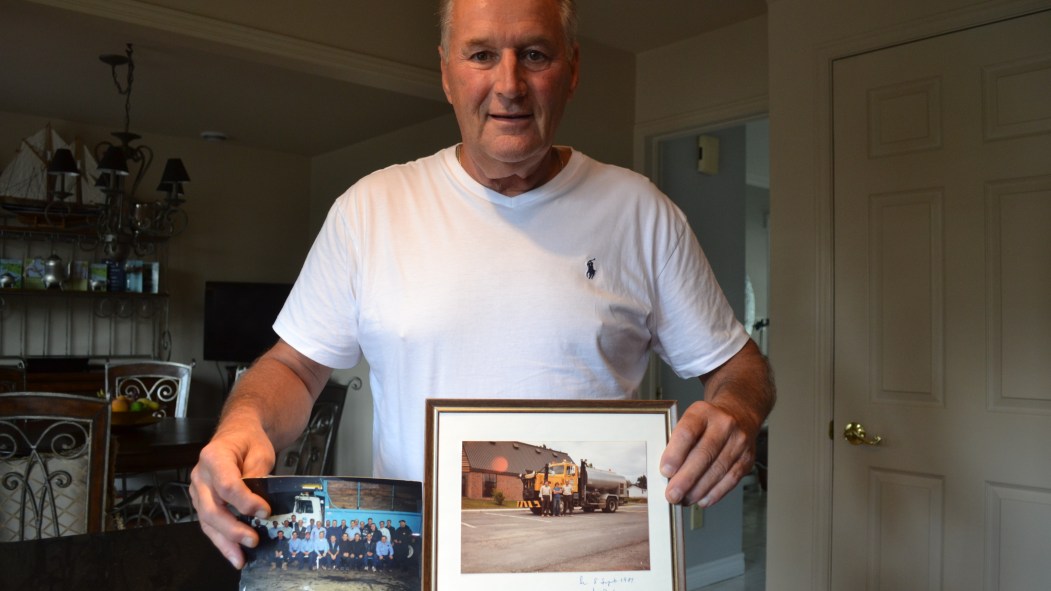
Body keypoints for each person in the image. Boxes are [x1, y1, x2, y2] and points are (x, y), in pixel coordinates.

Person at [190, 0, 775, 570]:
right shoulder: (368, 210)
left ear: (572, 70)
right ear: (446, 72)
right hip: (411, 570)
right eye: (481, 55)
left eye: (535, 54)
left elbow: (740, 367)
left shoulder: (643, 214)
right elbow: (295, 368)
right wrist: (242, 423)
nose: (509, 84)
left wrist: (737, 411)